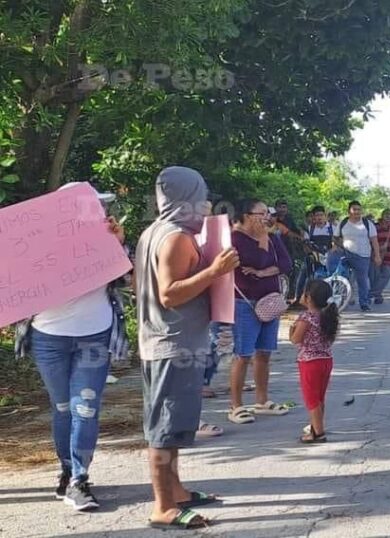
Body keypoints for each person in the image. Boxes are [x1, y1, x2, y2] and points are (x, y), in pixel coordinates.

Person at [135, 167, 239, 529]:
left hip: (164, 342)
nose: (206, 201)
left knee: (174, 425)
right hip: (172, 346)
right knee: (164, 428)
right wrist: (215, 270)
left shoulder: (153, 232)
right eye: (201, 193)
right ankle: (163, 506)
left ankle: (175, 490)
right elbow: (169, 293)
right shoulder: (176, 237)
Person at [13, 183, 128, 511]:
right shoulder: (36, 243)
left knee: (85, 407)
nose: (99, 211)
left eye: (100, 206)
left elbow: (128, 278)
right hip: (49, 336)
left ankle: (80, 477)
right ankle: (66, 470)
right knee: (62, 406)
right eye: (92, 206)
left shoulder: (110, 240)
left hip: (95, 334)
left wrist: (118, 246)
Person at [226, 200, 293, 425]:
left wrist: (262, 273)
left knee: (264, 352)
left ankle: (261, 400)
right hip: (245, 302)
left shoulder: (272, 238)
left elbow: (285, 263)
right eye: (260, 213)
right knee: (243, 354)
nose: (266, 217)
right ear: (246, 215)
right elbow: (248, 262)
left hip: (270, 300)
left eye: (267, 213)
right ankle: (235, 405)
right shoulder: (235, 239)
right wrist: (262, 255)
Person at [289, 279, 339, 443]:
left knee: (311, 398)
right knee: (319, 397)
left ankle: (318, 432)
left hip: (309, 362)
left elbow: (296, 339)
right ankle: (316, 425)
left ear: (308, 297)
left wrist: (291, 328)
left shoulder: (306, 318)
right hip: (326, 360)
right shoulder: (326, 316)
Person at [335, 200, 381, 312]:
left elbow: (374, 240)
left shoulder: (367, 223)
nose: (357, 212)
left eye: (359, 209)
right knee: (341, 275)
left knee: (362, 280)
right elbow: (335, 237)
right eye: (354, 209)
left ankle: (364, 303)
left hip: (363, 255)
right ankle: (341, 299)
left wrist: (377, 255)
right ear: (349, 211)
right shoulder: (343, 222)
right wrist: (336, 246)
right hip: (346, 253)